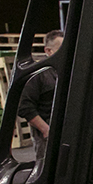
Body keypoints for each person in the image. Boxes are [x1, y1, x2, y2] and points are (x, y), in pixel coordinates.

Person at [17, 29, 63, 162]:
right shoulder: (38, 74)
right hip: (47, 137)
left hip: (67, 133)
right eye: (60, 49)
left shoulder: (67, 72)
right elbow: (24, 107)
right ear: (48, 51)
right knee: (48, 168)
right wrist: (46, 130)